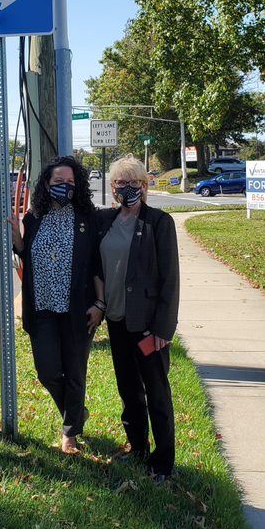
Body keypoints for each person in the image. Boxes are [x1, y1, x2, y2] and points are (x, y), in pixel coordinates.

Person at [8, 157, 104, 454]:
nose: (66, 187)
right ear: (46, 185)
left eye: (71, 183)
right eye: (59, 182)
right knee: (48, 371)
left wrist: (100, 304)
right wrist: (16, 238)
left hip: (78, 309)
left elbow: (97, 264)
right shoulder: (33, 217)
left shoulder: (89, 218)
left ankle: (70, 433)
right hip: (42, 308)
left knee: (74, 371)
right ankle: (75, 412)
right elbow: (27, 255)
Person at [97, 155, 180, 481]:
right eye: (120, 183)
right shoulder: (106, 221)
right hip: (117, 321)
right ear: (112, 187)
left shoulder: (159, 223)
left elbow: (170, 280)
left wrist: (163, 327)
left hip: (147, 327)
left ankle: (163, 462)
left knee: (157, 393)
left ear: (145, 187)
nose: (127, 189)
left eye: (134, 183)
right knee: (128, 389)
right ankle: (138, 447)